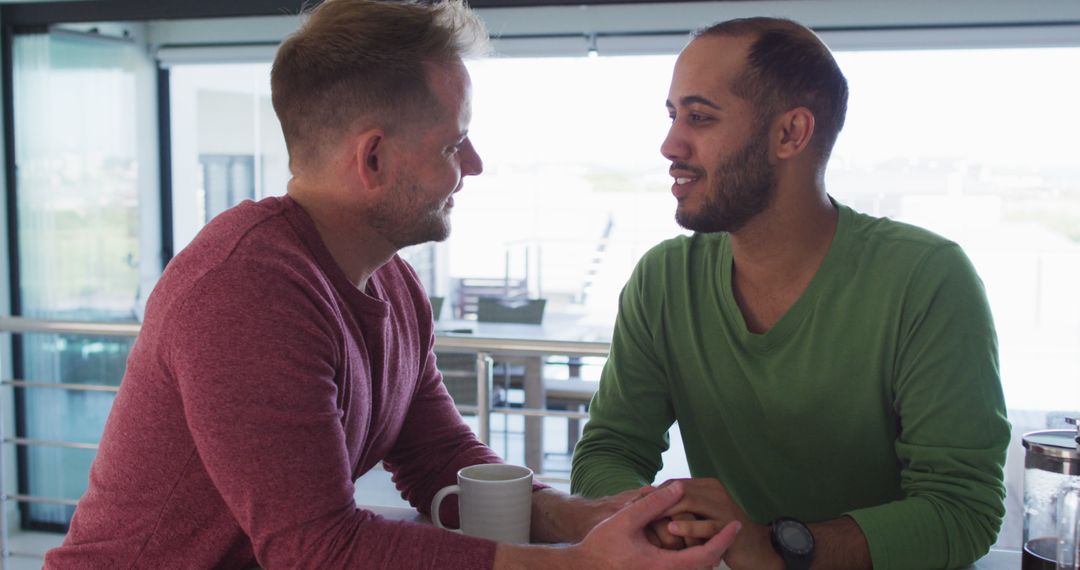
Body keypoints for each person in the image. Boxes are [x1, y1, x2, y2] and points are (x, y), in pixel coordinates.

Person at [43, 1, 742, 568]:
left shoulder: (393, 284)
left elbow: (437, 457)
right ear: (372, 158)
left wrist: (580, 515)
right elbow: (319, 550)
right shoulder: (247, 291)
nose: (474, 163)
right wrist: (576, 565)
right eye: (450, 143)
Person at [570, 16, 1010, 570]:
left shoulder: (926, 278)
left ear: (790, 134)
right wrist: (657, 514)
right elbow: (610, 450)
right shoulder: (662, 280)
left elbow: (961, 510)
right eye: (673, 115)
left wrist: (775, 547)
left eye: (700, 117)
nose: (669, 144)